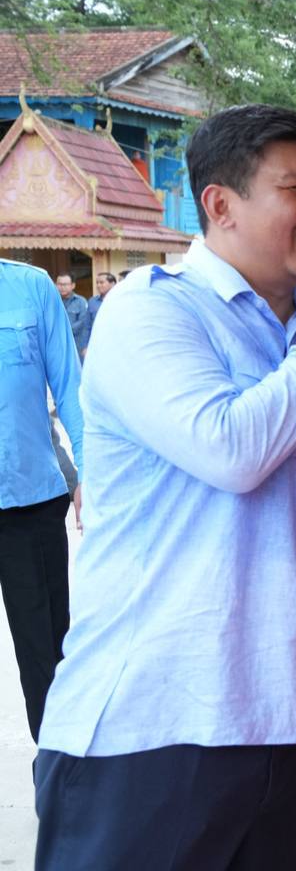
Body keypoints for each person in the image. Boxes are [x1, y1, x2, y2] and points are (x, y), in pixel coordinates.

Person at [33, 104, 296, 870]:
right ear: (220, 205)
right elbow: (233, 450)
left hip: (286, 715)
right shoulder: (149, 311)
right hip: (158, 727)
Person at [0, 259, 83, 745]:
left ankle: (61, 778)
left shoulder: (31, 288)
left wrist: (88, 475)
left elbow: (70, 389)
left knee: (47, 656)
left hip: (30, 503)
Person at [54, 273, 90, 356]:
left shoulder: (81, 301)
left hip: (75, 344)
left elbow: (82, 321)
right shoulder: (51, 302)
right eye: (59, 284)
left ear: (73, 285)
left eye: (65, 284)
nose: (62, 287)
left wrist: (63, 330)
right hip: (56, 344)